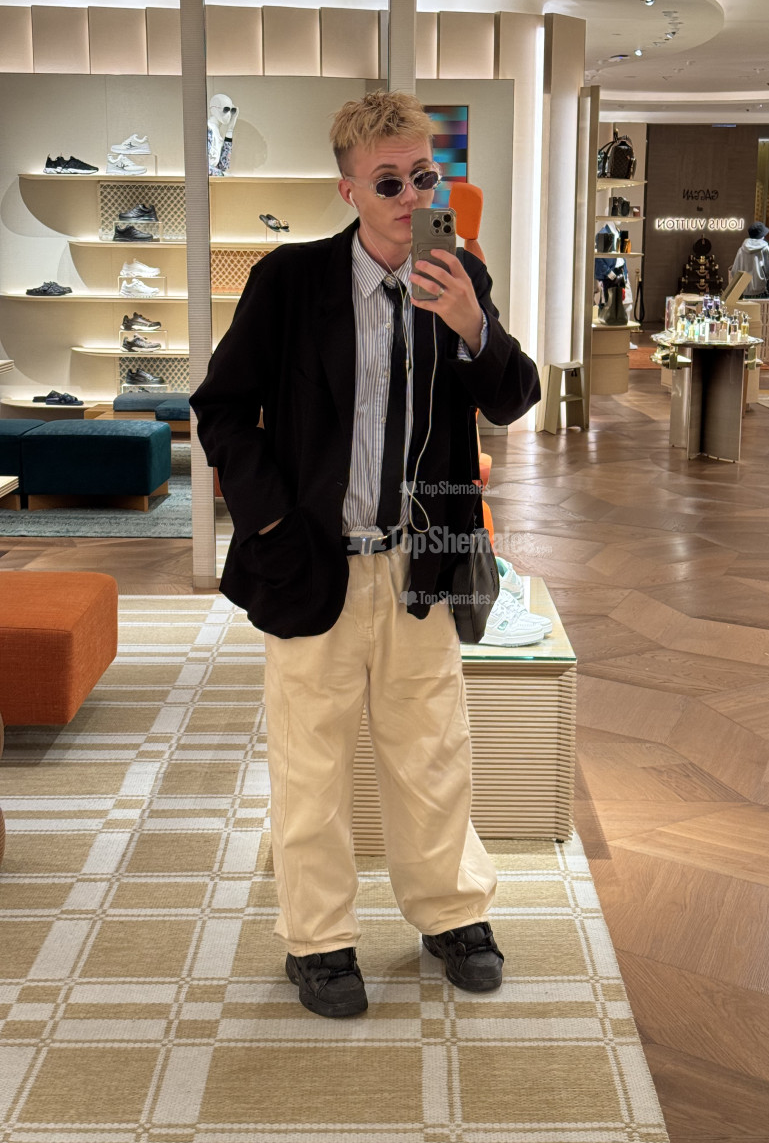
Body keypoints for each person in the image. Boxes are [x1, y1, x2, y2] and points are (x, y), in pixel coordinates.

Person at [190, 90, 540, 1019]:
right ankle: (319, 940)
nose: (410, 197)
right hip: (313, 561)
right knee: (311, 763)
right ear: (348, 189)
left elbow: (513, 398)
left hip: (422, 561)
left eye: (423, 177)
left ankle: (451, 913)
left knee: (432, 751)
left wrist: (472, 324)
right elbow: (221, 410)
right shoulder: (290, 281)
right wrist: (268, 525)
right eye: (389, 183)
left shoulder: (457, 273)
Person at [730, 221, 769, 295]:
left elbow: (734, 271)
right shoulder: (765, 248)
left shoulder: (741, 249)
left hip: (743, 290)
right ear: (762, 236)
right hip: (759, 289)